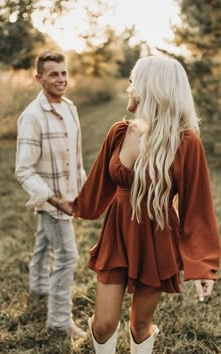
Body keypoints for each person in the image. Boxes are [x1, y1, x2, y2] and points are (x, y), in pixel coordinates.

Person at [57, 55, 221, 353]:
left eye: (132, 81)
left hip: (157, 238)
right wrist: (74, 206)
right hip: (117, 235)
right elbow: (97, 185)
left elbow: (197, 209)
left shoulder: (186, 142)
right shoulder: (120, 132)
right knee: (104, 324)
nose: (128, 88)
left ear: (150, 88)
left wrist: (203, 267)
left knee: (139, 325)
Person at [15, 50, 87, 338]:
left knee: (44, 242)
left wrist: (84, 194)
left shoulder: (70, 108)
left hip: (68, 196)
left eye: (64, 72)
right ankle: (59, 321)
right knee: (68, 256)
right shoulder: (32, 116)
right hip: (53, 201)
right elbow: (24, 170)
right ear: (39, 77)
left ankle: (39, 286)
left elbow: (77, 161)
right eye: (53, 74)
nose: (61, 79)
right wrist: (56, 201)